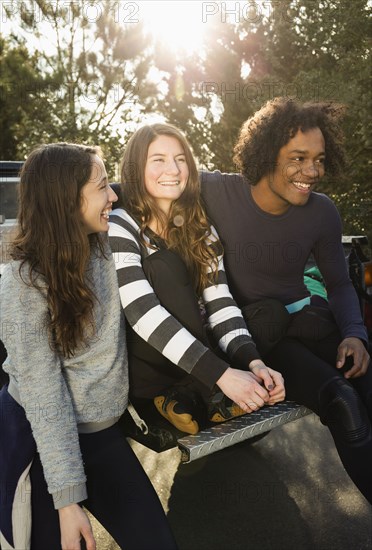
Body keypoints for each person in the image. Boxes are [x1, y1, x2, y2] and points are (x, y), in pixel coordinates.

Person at [0, 143, 178, 550]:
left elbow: (156, 190)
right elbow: (45, 397)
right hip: (40, 441)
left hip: (101, 436)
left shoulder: (104, 245)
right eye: (102, 187)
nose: (114, 196)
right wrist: (67, 500)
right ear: (67, 200)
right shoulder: (23, 283)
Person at [200, 97, 372, 504]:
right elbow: (145, 182)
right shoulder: (217, 191)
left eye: (319, 159)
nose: (311, 172)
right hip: (261, 338)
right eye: (298, 158)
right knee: (343, 401)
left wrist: (355, 335)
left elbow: (340, 284)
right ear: (266, 153)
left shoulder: (322, 212)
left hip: (310, 320)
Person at [108, 123, 285, 435]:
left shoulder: (199, 225)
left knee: (271, 313)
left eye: (180, 159)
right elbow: (140, 314)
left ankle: (188, 398)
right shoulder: (120, 225)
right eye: (158, 160)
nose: (173, 169)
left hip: (200, 353)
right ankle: (204, 392)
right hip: (150, 360)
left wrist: (254, 362)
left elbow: (220, 303)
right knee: (165, 265)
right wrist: (223, 375)